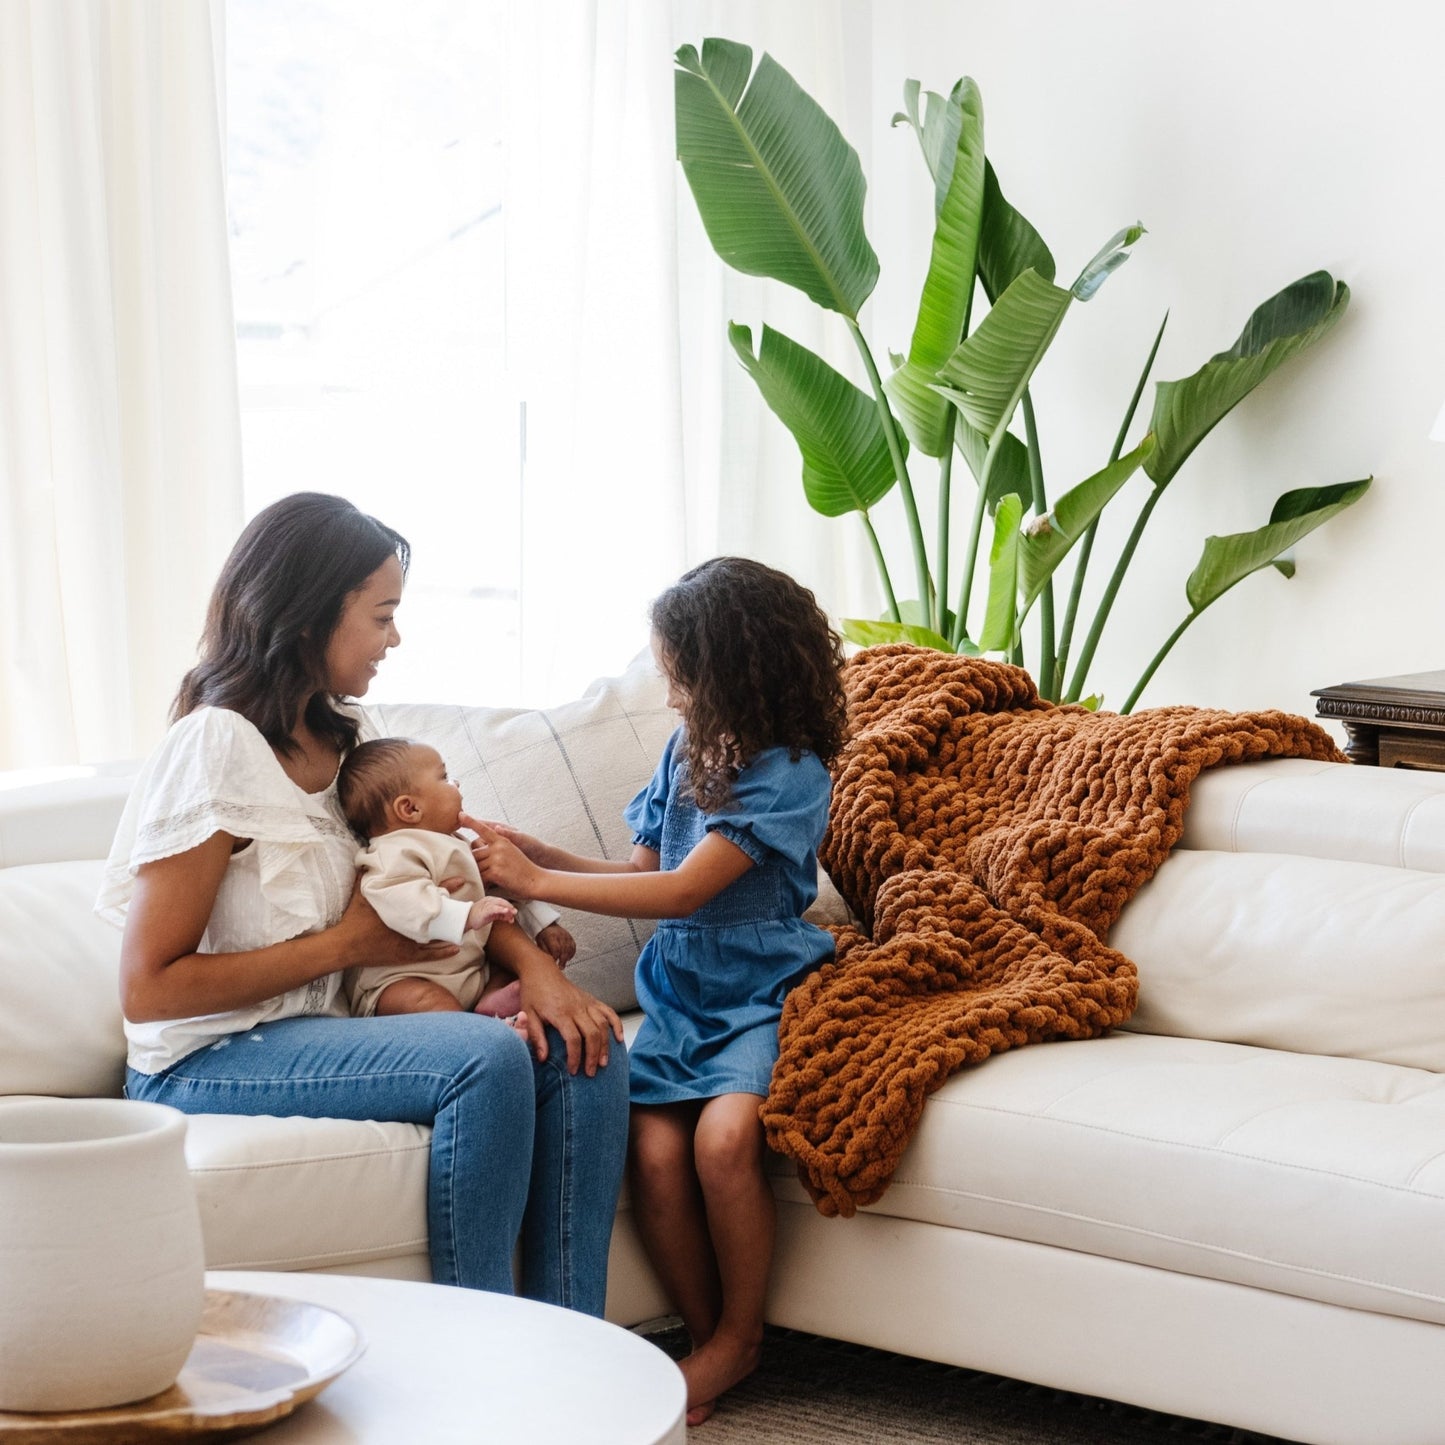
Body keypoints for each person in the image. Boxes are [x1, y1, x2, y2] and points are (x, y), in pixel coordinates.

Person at [96, 491, 628, 1315]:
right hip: (207, 1060)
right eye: (381, 615)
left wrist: (538, 973)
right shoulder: (215, 743)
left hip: (327, 1027)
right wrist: (348, 945)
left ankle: (575, 1357)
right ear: (310, 614)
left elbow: (454, 874)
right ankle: (487, 1360)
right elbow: (149, 987)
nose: (395, 637)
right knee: (481, 1058)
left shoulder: (352, 738)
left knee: (585, 1042)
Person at [468, 556, 848, 1425]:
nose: (669, 690)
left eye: (676, 669)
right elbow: (643, 865)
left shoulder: (791, 772)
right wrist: (534, 850)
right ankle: (712, 1337)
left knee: (721, 1143)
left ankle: (739, 1339)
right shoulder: (686, 748)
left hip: (757, 986)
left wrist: (537, 878)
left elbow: (685, 890)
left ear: (727, 667)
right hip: (677, 986)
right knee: (654, 1151)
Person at [336, 735, 577, 1032]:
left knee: (507, 971)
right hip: (404, 981)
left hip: (466, 971)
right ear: (410, 809)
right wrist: (469, 915)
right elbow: (403, 902)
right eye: (445, 777)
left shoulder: (455, 842)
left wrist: (543, 923)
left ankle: (493, 1004)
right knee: (426, 1000)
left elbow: (504, 887)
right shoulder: (394, 852)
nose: (457, 784)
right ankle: (478, 1034)